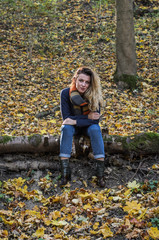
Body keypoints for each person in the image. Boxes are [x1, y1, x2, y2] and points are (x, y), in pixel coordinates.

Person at [59, 66, 105, 187]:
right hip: (72, 128)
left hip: (88, 128)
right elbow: (66, 119)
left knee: (95, 129)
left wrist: (76, 121)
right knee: (66, 128)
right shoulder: (65, 93)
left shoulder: (94, 95)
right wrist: (87, 118)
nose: (83, 84)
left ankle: (100, 174)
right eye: (81, 80)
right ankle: (65, 173)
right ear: (75, 79)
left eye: (87, 82)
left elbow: (95, 121)